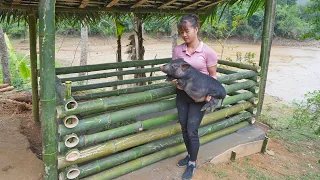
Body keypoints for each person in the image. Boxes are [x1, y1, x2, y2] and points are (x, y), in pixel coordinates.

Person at [171, 14, 218, 179]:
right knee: (184, 128)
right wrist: (174, 79)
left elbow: (213, 77)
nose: (184, 34)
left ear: (196, 29)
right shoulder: (178, 50)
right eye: (181, 32)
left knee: (192, 130)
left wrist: (209, 96)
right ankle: (190, 155)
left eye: (187, 30)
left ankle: (192, 163)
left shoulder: (208, 52)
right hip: (182, 95)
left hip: (199, 98)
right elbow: (175, 70)